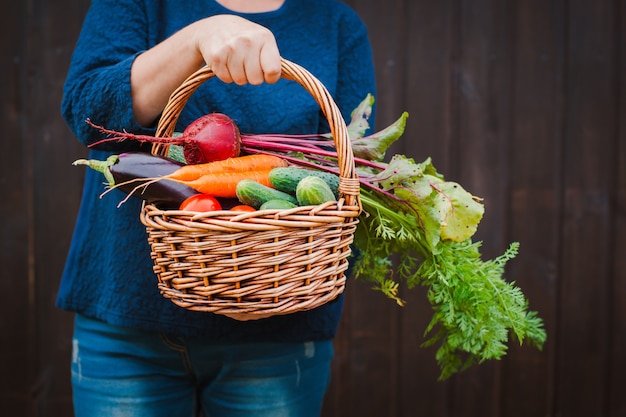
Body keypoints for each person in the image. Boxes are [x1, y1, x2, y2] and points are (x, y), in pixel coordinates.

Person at [58, 0, 376, 416]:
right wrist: (197, 38)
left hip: (278, 333)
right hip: (126, 324)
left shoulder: (337, 25)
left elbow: (350, 179)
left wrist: (285, 270)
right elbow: (86, 113)